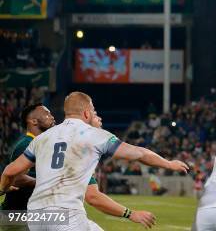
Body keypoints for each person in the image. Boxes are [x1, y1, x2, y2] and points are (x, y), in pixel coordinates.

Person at [0, 92, 188, 231]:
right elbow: (138, 153)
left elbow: (9, 171)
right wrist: (168, 163)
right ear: (87, 113)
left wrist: (4, 188)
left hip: (36, 216)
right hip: (66, 214)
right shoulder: (94, 136)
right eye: (94, 111)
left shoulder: (42, 138)